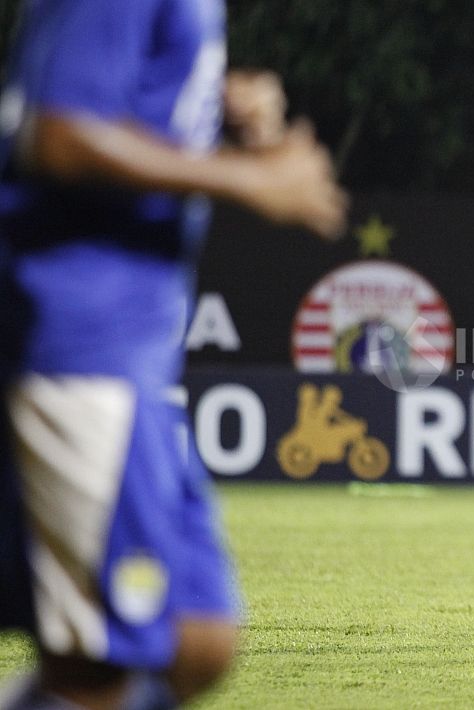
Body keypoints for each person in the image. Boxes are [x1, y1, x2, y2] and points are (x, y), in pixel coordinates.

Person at [0, 0, 347, 707]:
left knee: (197, 637)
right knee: (102, 667)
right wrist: (249, 178)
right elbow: (58, 134)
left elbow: (102, 96)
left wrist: (203, 100)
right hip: (79, 343)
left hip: (129, 359)